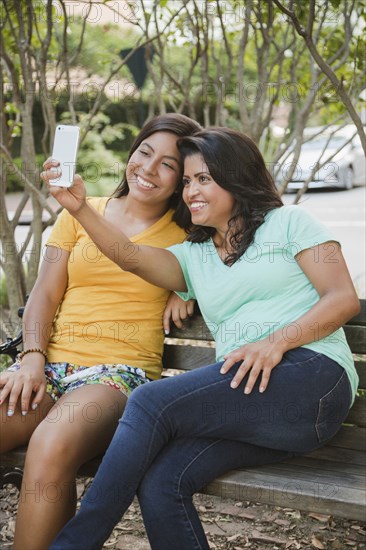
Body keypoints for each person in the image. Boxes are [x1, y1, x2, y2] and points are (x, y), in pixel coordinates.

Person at [47, 127, 360, 550]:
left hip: (312, 379)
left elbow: (342, 299)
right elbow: (130, 256)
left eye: (204, 179)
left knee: (148, 401)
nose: (191, 190)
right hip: (253, 403)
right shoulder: (193, 256)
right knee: (163, 481)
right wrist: (81, 208)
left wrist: (275, 342)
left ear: (236, 178)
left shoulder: (289, 222)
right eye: (188, 180)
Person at [0, 113, 201, 550]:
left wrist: (191, 289)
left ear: (183, 178)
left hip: (118, 375)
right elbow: (44, 295)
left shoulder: (191, 235)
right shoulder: (80, 213)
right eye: (145, 152)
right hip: (48, 365)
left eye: (168, 164)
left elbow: (233, 255)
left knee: (52, 443)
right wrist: (32, 358)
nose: (149, 169)